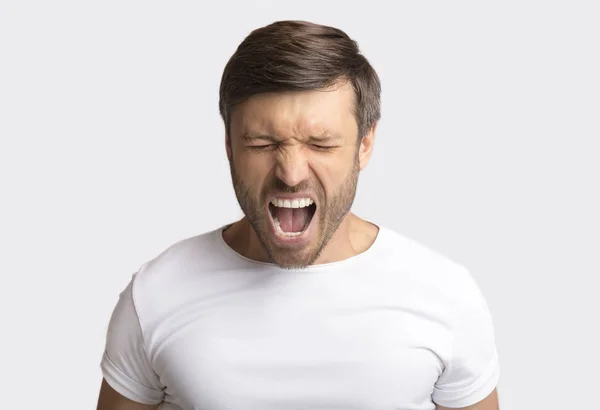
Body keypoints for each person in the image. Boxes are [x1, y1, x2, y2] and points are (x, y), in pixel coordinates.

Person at [96, 20, 500, 410]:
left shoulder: (446, 296)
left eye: (321, 145)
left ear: (365, 144)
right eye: (261, 143)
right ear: (229, 145)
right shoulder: (155, 294)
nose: (291, 173)